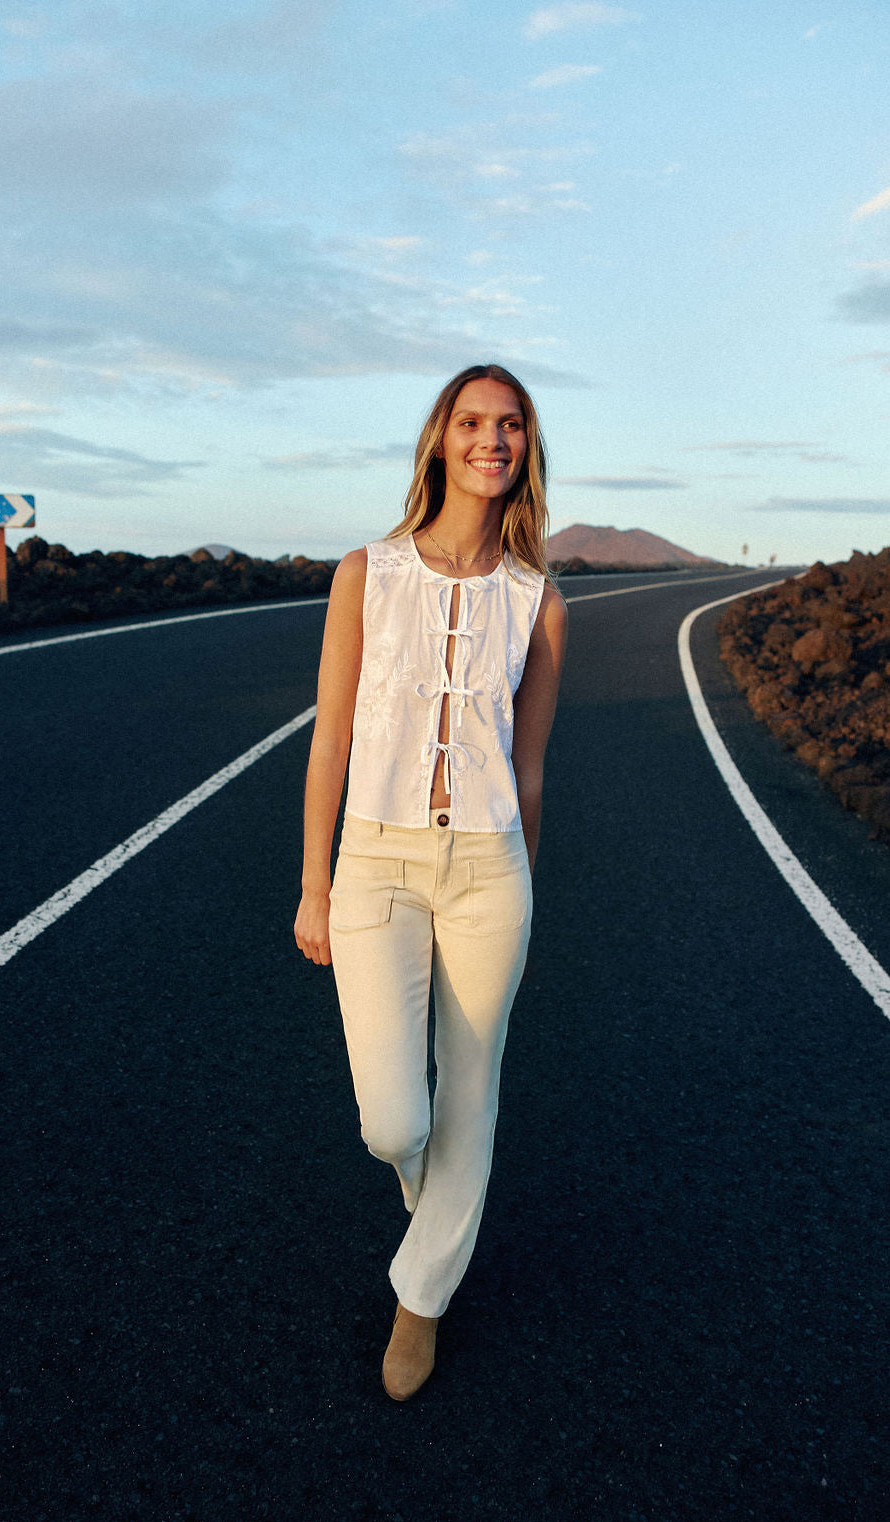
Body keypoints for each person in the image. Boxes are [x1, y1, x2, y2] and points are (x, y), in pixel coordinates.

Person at [293, 363, 568, 1400]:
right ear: (441, 440)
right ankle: (429, 1191)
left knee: (473, 1092)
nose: (491, 438)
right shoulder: (367, 572)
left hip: (489, 868)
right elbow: (329, 739)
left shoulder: (539, 603)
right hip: (374, 861)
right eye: (472, 421)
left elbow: (530, 769)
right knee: (394, 1121)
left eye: (510, 425)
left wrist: (524, 891)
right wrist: (313, 885)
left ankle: (422, 1301)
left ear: (523, 449)